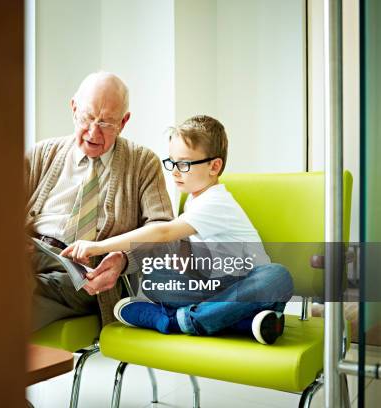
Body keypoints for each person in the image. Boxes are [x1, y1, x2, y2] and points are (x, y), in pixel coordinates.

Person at [61, 115, 294, 344]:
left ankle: (175, 321)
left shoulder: (215, 202)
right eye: (172, 162)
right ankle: (242, 323)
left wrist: (99, 246)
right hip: (218, 292)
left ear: (214, 166)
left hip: (252, 290)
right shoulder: (193, 202)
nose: (174, 171)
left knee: (278, 275)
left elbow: (162, 232)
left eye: (183, 164)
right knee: (154, 279)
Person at [25, 71, 173, 331]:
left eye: (106, 123)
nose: (93, 132)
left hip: (85, 273)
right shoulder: (41, 153)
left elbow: (164, 234)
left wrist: (123, 259)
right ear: (73, 108)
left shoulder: (143, 163)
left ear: (123, 122)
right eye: (87, 117)